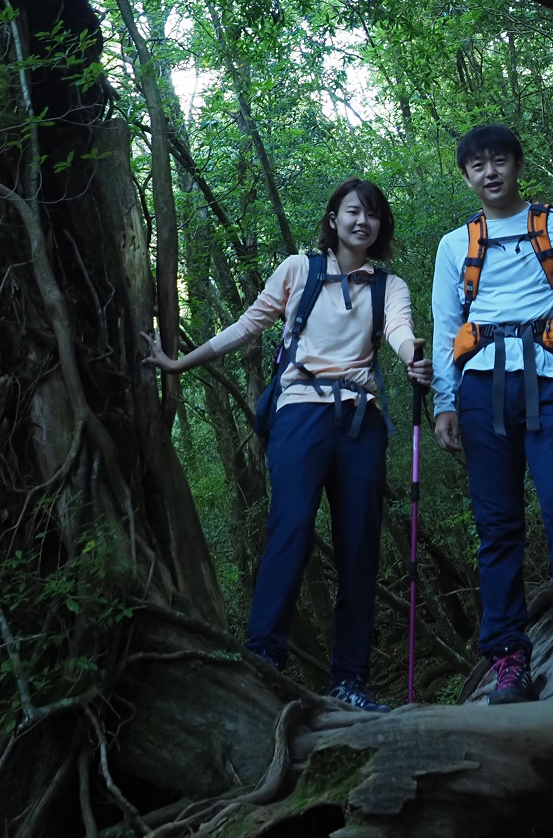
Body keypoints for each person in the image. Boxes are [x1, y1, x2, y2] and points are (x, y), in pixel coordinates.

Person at [146, 178, 429, 711]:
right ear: (332, 218)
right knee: (291, 530)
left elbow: (399, 328)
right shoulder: (298, 269)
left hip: (359, 419)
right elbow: (248, 326)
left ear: (380, 226)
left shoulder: (388, 286)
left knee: (360, 545)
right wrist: (179, 362)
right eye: (352, 212)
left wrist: (411, 350)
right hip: (300, 411)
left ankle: (351, 681)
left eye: (372, 214)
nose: (362, 222)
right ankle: (265, 659)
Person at [429, 124, 553, 703]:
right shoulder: (456, 245)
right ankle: (508, 659)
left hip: (552, 383)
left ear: (517, 165)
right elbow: (445, 325)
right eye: (477, 166)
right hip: (481, 391)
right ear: (466, 176)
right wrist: (445, 402)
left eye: (499, 161)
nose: (490, 173)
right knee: (497, 530)